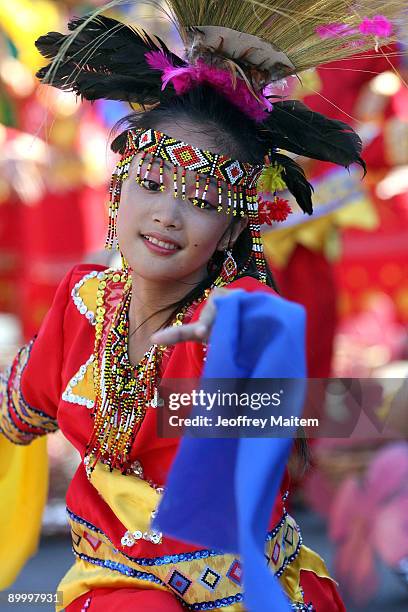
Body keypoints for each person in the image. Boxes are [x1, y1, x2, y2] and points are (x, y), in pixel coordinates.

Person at [0, 1, 404, 610]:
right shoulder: (82, 304)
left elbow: (273, 342)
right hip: (112, 585)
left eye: (203, 199)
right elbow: (19, 410)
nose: (167, 213)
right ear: (118, 188)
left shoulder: (233, 315)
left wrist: (237, 334)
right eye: (153, 183)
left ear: (234, 232)